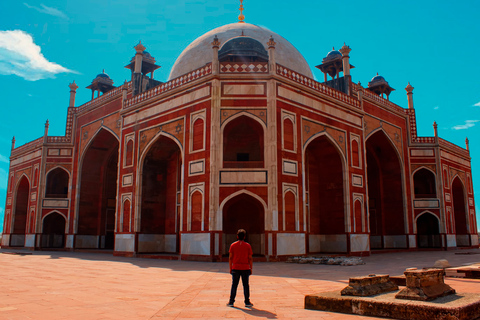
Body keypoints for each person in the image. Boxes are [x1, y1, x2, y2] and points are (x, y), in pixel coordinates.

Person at [227, 229, 253, 308]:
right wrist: (250, 268)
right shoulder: (248, 246)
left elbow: (230, 258)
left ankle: (231, 301)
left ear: (237, 236)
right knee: (246, 285)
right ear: (244, 237)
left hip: (236, 267)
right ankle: (247, 302)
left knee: (234, 285)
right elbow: (250, 258)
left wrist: (231, 268)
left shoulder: (233, 245)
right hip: (245, 268)